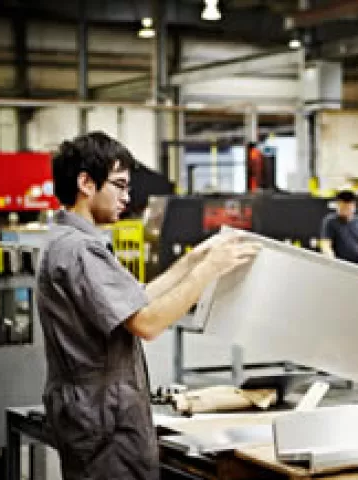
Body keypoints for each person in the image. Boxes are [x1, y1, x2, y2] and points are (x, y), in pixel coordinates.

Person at [37, 131, 260, 480]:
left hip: (91, 407)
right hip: (103, 416)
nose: (127, 197)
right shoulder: (80, 250)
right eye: (120, 185)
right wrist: (210, 269)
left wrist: (191, 260)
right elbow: (148, 322)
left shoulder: (67, 241)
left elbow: (136, 297)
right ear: (85, 182)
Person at [320, 189, 358, 266]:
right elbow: (326, 244)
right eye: (342, 207)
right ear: (338, 206)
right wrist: (331, 259)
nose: (345, 210)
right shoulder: (330, 221)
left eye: (348, 207)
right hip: (339, 265)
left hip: (357, 264)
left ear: (353, 206)